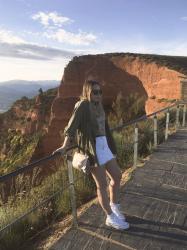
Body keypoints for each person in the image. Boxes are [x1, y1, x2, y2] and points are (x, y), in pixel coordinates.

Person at [53, 79, 129, 230]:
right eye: (95, 92)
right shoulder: (82, 105)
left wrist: (110, 146)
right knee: (102, 185)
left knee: (117, 176)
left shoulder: (98, 106)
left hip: (104, 146)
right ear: (87, 91)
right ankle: (110, 217)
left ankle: (114, 206)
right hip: (92, 149)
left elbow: (103, 128)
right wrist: (64, 146)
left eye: (100, 92)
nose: (98, 95)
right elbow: (71, 127)